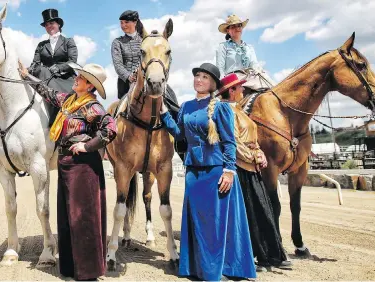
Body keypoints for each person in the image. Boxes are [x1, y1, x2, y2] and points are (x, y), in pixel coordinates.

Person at [20, 61, 116, 280]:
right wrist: (27, 76)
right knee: (67, 218)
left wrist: (87, 145)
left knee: (83, 218)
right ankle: (73, 267)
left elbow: (110, 128)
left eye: (81, 78)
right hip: (66, 163)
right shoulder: (70, 101)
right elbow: (48, 93)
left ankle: (88, 271)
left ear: (90, 86)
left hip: (83, 166)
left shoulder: (92, 106)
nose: (76, 79)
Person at [160, 63, 256, 281]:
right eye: (197, 76)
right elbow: (179, 134)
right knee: (198, 220)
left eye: (204, 77)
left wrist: (230, 170)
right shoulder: (186, 106)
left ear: (213, 83)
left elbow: (229, 142)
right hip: (193, 172)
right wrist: (164, 113)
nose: (199, 79)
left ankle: (218, 270)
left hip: (216, 171)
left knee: (216, 222)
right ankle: (199, 267)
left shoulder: (221, 108)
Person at [218, 73, 293, 272]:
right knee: (251, 214)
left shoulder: (241, 110)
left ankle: (272, 255)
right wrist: (253, 157)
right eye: (240, 88)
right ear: (231, 91)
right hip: (240, 169)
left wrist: (259, 153)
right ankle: (255, 256)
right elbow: (232, 141)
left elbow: (252, 137)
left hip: (252, 167)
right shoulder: (226, 111)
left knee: (264, 211)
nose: (243, 90)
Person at [111, 10, 183, 156]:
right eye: (121, 23)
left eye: (126, 22)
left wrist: (162, 75)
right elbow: (118, 64)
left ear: (135, 23)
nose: (123, 25)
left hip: (151, 78)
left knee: (174, 104)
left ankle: (181, 142)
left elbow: (163, 58)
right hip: (128, 83)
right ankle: (111, 137)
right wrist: (129, 76)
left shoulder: (147, 40)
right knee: (116, 111)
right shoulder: (117, 42)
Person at [215, 14, 275, 91]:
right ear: (228, 31)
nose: (237, 28)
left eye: (239, 26)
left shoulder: (249, 47)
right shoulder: (223, 46)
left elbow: (254, 65)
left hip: (250, 77)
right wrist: (223, 87)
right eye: (233, 27)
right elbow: (220, 69)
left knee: (272, 86)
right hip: (233, 79)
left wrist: (260, 72)